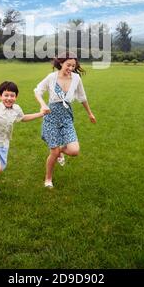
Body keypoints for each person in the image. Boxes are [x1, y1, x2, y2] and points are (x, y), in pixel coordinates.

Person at [0, 81, 48, 198]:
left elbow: (23, 118)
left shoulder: (16, 109)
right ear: (0, 96)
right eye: (6, 95)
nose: (9, 98)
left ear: (16, 97)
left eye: (12, 95)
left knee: (1, 168)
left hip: (4, 143)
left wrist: (40, 114)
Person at [34, 52, 96, 188]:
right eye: (68, 65)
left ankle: (60, 151)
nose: (71, 68)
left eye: (73, 66)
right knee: (54, 153)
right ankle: (48, 179)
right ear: (61, 63)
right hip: (51, 116)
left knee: (74, 151)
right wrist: (43, 105)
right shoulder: (52, 77)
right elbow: (37, 91)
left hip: (67, 116)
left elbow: (82, 97)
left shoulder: (76, 78)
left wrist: (90, 114)